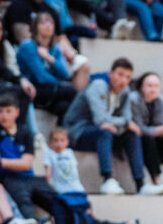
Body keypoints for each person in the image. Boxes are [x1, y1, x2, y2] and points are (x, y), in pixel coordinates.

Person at [64, 58, 157, 196]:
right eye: (120, 75)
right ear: (110, 73)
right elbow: (101, 119)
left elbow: (128, 118)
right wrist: (125, 123)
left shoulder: (125, 92)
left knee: (132, 134)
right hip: (78, 131)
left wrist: (124, 124)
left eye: (128, 77)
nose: (123, 80)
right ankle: (107, 180)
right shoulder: (98, 86)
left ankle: (141, 184)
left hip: (103, 133)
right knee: (105, 131)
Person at [42, 126, 139, 224]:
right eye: (55, 141)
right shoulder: (50, 154)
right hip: (62, 194)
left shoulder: (69, 153)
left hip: (78, 191)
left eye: (62, 140)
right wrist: (49, 185)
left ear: (67, 142)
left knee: (89, 215)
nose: (58, 144)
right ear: (50, 143)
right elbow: (48, 173)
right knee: (76, 218)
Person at [0, 91, 53, 224]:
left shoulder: (25, 132)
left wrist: (1, 162)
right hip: (8, 179)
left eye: (8, 111)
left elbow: (26, 164)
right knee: (24, 203)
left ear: (17, 112)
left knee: (57, 200)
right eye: (0, 111)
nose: (4, 115)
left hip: (29, 178)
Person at [14, 12, 78, 121]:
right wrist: (60, 84)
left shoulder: (55, 48)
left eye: (51, 23)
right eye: (43, 23)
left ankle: (65, 131)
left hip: (51, 89)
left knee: (64, 107)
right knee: (71, 91)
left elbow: (65, 73)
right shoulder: (27, 46)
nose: (48, 25)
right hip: (33, 88)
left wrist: (50, 58)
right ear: (35, 27)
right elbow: (41, 77)